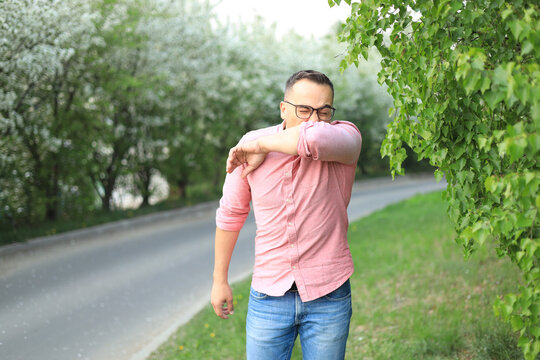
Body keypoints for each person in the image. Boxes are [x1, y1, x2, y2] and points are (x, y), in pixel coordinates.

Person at [211, 70, 362, 360]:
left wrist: (262, 145)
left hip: (328, 295)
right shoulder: (249, 143)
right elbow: (230, 214)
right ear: (283, 108)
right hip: (269, 295)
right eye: (304, 110)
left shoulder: (345, 138)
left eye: (324, 111)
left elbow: (315, 136)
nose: (314, 119)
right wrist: (220, 280)